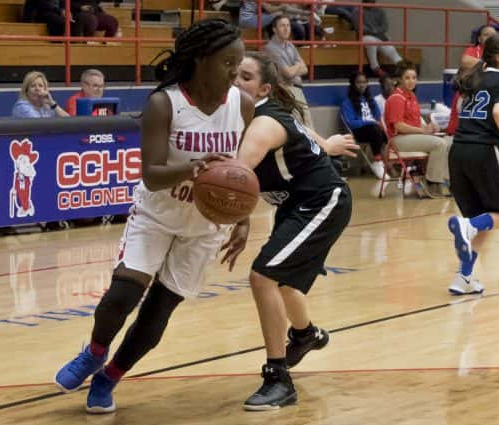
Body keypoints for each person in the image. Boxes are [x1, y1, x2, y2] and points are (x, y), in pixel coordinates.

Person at [53, 19, 253, 413]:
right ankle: (94, 352)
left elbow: (242, 171)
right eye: (228, 63)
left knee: (158, 313)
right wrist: (193, 168)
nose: (235, 73)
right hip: (158, 213)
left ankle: (108, 378)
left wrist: (243, 216)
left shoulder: (242, 105)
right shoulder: (166, 102)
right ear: (201, 59)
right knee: (121, 296)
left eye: (240, 64)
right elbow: (152, 174)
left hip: (204, 226)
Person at [234, 51, 356, 410]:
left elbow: (235, 179)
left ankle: (278, 379)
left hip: (322, 200)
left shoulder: (262, 123)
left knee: (263, 276)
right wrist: (326, 144)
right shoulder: (257, 114)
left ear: (263, 89)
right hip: (294, 203)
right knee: (284, 281)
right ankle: (305, 335)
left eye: (244, 77)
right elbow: (298, 129)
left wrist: (239, 220)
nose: (234, 81)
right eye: (232, 73)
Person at [446, 32, 499, 295]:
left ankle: (464, 277)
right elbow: (498, 111)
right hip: (484, 151)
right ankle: (468, 228)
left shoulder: (475, 77)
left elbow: (464, 113)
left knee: (483, 217)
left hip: (458, 151)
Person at [384, 62, 451, 198]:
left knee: (449, 142)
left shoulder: (412, 97)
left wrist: (430, 128)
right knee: (439, 144)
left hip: (411, 137)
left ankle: (444, 182)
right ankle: (431, 182)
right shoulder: (397, 98)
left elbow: (415, 123)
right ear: (400, 79)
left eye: (414, 78)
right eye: (407, 78)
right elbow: (399, 126)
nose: (411, 81)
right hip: (399, 140)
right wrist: (423, 131)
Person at [263, 14, 314, 129]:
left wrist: (296, 67)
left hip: (297, 89)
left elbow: (305, 68)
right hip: (286, 90)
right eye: (282, 26)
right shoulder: (270, 48)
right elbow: (288, 74)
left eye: (288, 25)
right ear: (274, 29)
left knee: (307, 124)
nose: (286, 29)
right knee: (305, 127)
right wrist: (298, 65)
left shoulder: (290, 45)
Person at [340, 71, 387, 178]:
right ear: (353, 84)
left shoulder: (371, 100)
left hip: (374, 129)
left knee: (385, 133)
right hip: (359, 131)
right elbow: (351, 123)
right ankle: (377, 161)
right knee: (374, 129)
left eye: (364, 82)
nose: (362, 85)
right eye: (358, 82)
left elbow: (379, 117)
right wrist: (369, 122)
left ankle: (390, 163)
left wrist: (383, 127)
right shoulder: (347, 103)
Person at [351, 0, 403, 78]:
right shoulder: (357, 10)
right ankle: (375, 66)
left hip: (379, 36)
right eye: (369, 1)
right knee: (371, 41)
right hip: (365, 36)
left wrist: (377, 32)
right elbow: (359, 27)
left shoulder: (380, 10)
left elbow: (385, 26)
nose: (371, 3)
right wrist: (374, 31)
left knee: (390, 49)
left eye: (372, 2)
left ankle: (403, 67)